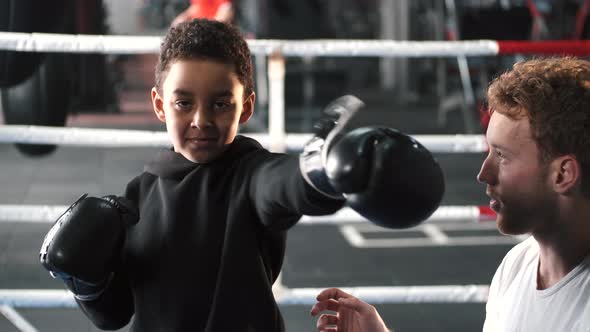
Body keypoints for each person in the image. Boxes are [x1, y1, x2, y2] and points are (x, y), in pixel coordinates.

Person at [38, 19, 445, 331]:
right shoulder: (136, 198)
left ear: (245, 108)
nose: (201, 120)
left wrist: (317, 174)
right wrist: (87, 284)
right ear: (161, 106)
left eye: (220, 104)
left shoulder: (249, 174)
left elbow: (281, 185)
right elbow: (116, 314)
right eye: (184, 103)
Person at [311, 56, 590, 331]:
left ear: (562, 174)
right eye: (489, 152)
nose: (484, 174)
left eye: (502, 156)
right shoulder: (518, 264)